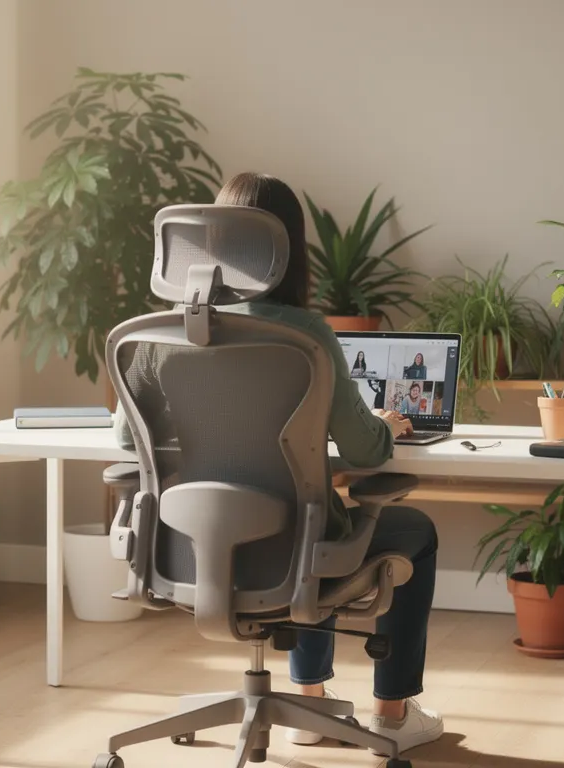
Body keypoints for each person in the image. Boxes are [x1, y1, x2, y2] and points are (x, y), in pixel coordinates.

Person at [114, 172, 443, 755]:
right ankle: (392, 715)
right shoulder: (303, 335)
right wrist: (385, 426)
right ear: (286, 249)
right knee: (408, 529)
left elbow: (125, 434)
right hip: (295, 553)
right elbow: (365, 452)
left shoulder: (161, 334)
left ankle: (308, 707)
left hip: (188, 547)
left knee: (309, 518)